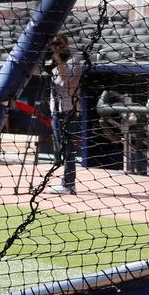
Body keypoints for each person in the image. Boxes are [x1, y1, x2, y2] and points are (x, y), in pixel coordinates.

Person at [49, 34, 82, 194]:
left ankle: (68, 184)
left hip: (69, 111)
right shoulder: (52, 63)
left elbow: (64, 81)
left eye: (59, 44)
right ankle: (66, 182)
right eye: (54, 44)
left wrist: (58, 60)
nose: (56, 47)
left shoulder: (74, 61)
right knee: (62, 148)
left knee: (68, 149)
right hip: (56, 112)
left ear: (66, 45)